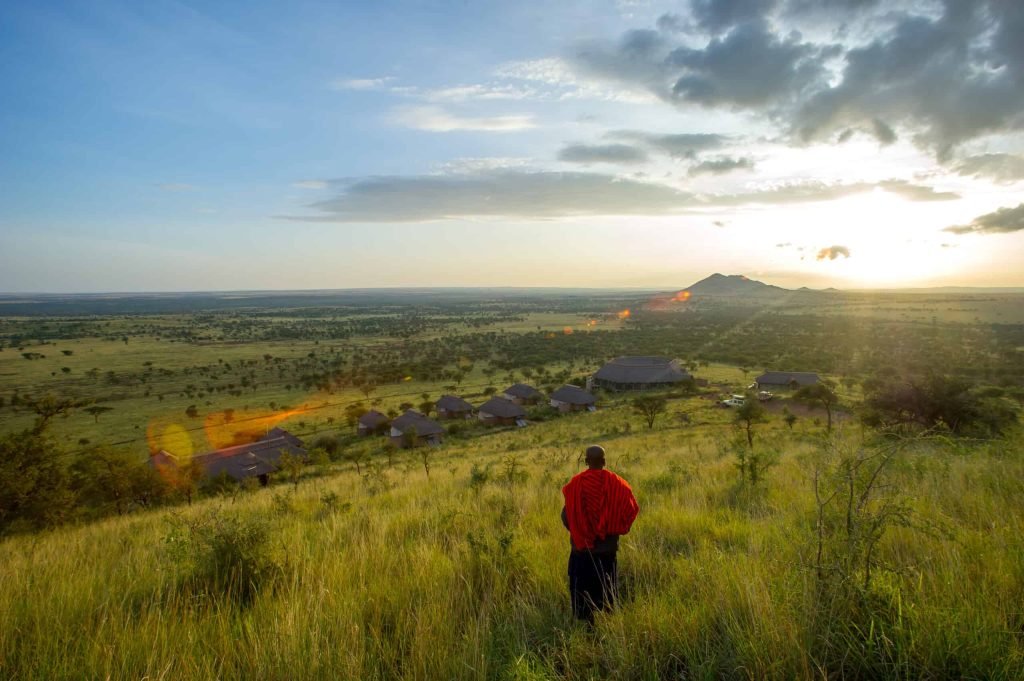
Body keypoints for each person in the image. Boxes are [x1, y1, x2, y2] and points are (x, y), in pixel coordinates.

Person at [561, 445, 639, 623]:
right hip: (607, 551)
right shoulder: (617, 484)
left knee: (582, 592)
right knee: (608, 589)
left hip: (581, 550)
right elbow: (630, 510)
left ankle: (588, 627)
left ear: (586, 461)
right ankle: (610, 623)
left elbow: (567, 516)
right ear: (604, 461)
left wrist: (579, 530)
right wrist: (614, 526)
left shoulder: (575, 485)